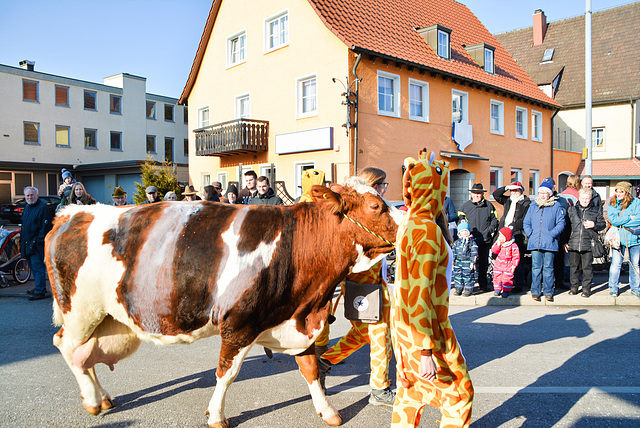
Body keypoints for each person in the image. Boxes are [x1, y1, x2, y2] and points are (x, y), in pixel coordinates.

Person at [391, 151, 473, 427]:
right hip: (428, 330)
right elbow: (420, 292)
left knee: (410, 394)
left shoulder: (409, 224)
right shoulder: (427, 231)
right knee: (460, 395)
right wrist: (426, 351)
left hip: (405, 328)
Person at [319, 167, 395, 406]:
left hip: (363, 283)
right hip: (366, 283)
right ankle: (380, 389)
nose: (385, 190)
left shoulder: (359, 207)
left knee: (364, 333)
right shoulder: (365, 209)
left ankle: (324, 361)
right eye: (384, 185)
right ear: (376, 186)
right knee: (381, 336)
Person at [523, 181, 566, 302]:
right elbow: (526, 222)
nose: (542, 195)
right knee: (536, 268)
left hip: (550, 242)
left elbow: (561, 223)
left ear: (549, 194)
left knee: (548, 268)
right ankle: (535, 291)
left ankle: (548, 292)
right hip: (535, 242)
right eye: (540, 192)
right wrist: (530, 233)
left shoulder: (556, 206)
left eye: (545, 193)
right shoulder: (533, 206)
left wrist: (552, 234)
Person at [458, 183, 498, 292]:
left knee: (483, 264)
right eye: (474, 193)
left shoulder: (489, 206)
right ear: (471, 193)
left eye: (479, 193)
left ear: (482, 194)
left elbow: (495, 220)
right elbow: (460, 222)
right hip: (469, 242)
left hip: (484, 240)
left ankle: (483, 284)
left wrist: (489, 231)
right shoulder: (465, 206)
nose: (476, 195)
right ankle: (469, 286)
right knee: (469, 264)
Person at [566, 188, 606, 297]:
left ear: (590, 199)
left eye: (587, 198)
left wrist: (594, 225)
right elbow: (567, 227)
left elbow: (603, 224)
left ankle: (586, 289)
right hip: (573, 242)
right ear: (579, 198)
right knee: (573, 267)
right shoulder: (572, 210)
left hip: (588, 243)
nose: (584, 200)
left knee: (587, 268)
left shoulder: (596, 210)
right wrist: (565, 241)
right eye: (583, 198)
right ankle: (574, 287)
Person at [492, 181, 531, 292]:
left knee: (517, 261)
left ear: (521, 191)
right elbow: (496, 195)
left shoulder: (526, 203)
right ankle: (501, 284)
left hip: (517, 234)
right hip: (503, 235)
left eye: (516, 190)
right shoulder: (508, 200)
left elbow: (525, 220)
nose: (514, 192)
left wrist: (513, 227)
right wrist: (507, 187)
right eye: (512, 190)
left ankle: (518, 285)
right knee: (501, 261)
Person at [607, 181, 640, 298]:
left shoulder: (637, 203)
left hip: (635, 237)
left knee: (635, 264)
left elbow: (639, 219)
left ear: (627, 192)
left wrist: (623, 221)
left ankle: (635, 288)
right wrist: (629, 217)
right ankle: (613, 288)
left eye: (621, 192)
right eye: (617, 191)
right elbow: (614, 220)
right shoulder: (612, 203)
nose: (618, 194)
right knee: (616, 264)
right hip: (618, 238)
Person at [21, 187, 52, 301]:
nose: (30, 197)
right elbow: (24, 226)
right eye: (28, 196)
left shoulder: (42, 207)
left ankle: (40, 291)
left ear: (37, 195)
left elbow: (45, 227)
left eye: (32, 195)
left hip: (36, 244)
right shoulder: (27, 207)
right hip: (27, 242)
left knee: (38, 267)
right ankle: (39, 287)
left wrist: (38, 241)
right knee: (33, 266)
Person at [490, 227, 520, 298]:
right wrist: (498, 244)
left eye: (501, 236)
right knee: (497, 277)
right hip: (499, 264)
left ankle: (506, 290)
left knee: (507, 278)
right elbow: (494, 250)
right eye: (499, 236)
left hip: (508, 265)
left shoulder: (513, 245)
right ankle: (497, 289)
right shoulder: (499, 244)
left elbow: (516, 256)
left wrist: (513, 266)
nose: (500, 238)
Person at [451, 221, 478, 297]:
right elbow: (453, 251)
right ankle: (458, 288)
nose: (464, 233)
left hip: (467, 262)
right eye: (462, 231)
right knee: (457, 275)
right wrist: (453, 260)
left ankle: (468, 289)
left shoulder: (471, 243)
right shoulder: (456, 242)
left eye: (466, 231)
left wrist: (472, 262)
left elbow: (474, 253)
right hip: (458, 262)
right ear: (459, 233)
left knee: (468, 276)